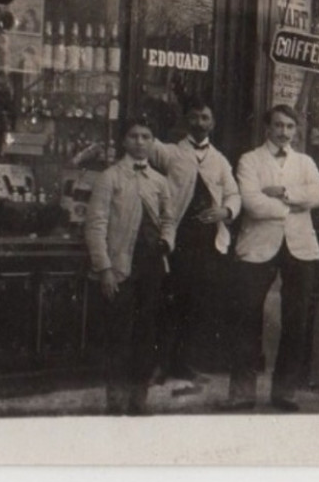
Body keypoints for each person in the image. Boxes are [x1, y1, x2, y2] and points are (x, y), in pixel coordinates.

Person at [224, 103, 319, 412]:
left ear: (296, 131)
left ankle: (284, 392)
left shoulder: (305, 162)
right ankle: (242, 393)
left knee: (296, 320)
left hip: (300, 247)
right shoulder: (250, 160)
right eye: (279, 125)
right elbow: (253, 203)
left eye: (290, 127)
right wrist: (295, 204)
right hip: (257, 246)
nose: (284, 132)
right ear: (267, 128)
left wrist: (282, 191)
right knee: (246, 317)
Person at [85, 116, 176, 415]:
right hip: (122, 266)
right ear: (124, 141)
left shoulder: (160, 181)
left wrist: (166, 240)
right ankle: (116, 399)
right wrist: (105, 268)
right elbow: (96, 225)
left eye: (146, 136)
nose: (140, 142)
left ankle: (139, 398)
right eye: (134, 136)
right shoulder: (110, 177)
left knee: (146, 334)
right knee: (119, 335)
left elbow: (169, 219)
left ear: (153, 143)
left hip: (151, 266)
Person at [149, 100, 240, 378]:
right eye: (195, 117)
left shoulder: (220, 159)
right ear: (187, 121)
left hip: (207, 242)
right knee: (169, 301)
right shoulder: (171, 152)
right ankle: (159, 364)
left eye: (206, 118)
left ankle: (184, 364)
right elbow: (145, 147)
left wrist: (224, 210)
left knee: (196, 305)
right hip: (178, 239)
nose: (201, 123)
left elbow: (234, 194)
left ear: (212, 123)